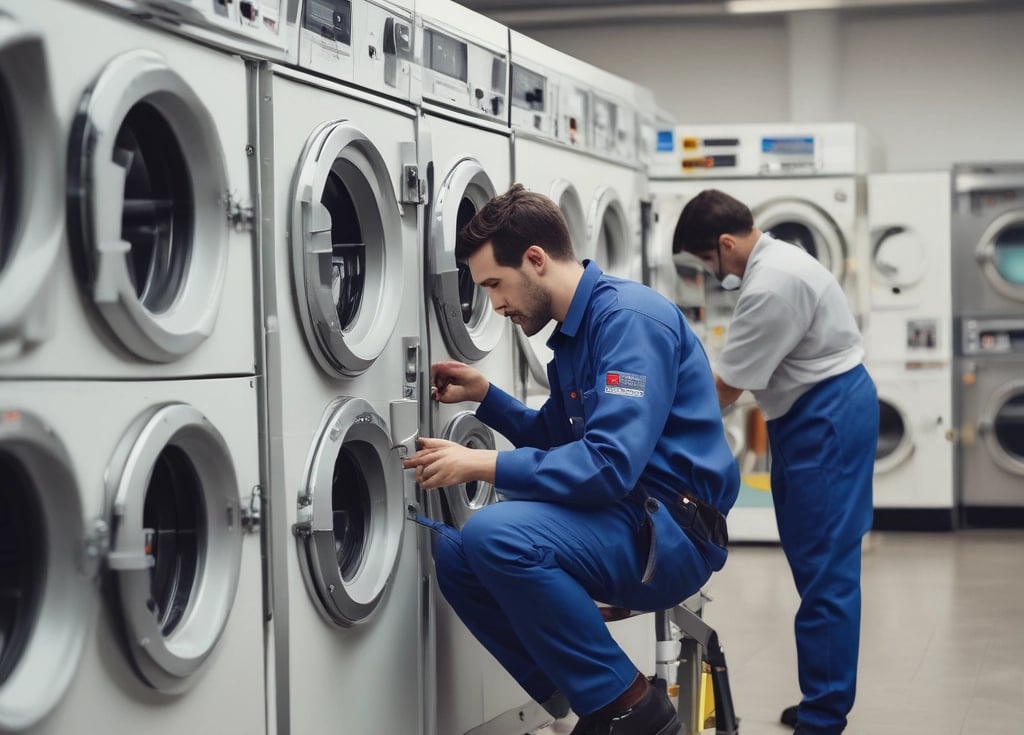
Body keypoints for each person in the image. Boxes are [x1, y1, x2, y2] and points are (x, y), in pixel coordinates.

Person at [403, 184, 739, 735]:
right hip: (627, 517)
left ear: (535, 260)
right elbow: (562, 440)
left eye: (495, 284)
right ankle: (591, 697)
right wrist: (487, 397)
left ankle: (633, 707)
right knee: (458, 553)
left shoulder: (630, 321)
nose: (495, 304)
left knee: (495, 534)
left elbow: (607, 465)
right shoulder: (574, 336)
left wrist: (478, 464)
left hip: (671, 534)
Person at [672, 188, 878, 735]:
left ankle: (825, 715)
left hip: (825, 419)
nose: (713, 276)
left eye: (707, 264)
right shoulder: (779, 260)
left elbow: (726, 388)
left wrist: (660, 425)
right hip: (815, 412)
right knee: (814, 562)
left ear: (723, 244)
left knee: (826, 571)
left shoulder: (772, 285)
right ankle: (823, 698)